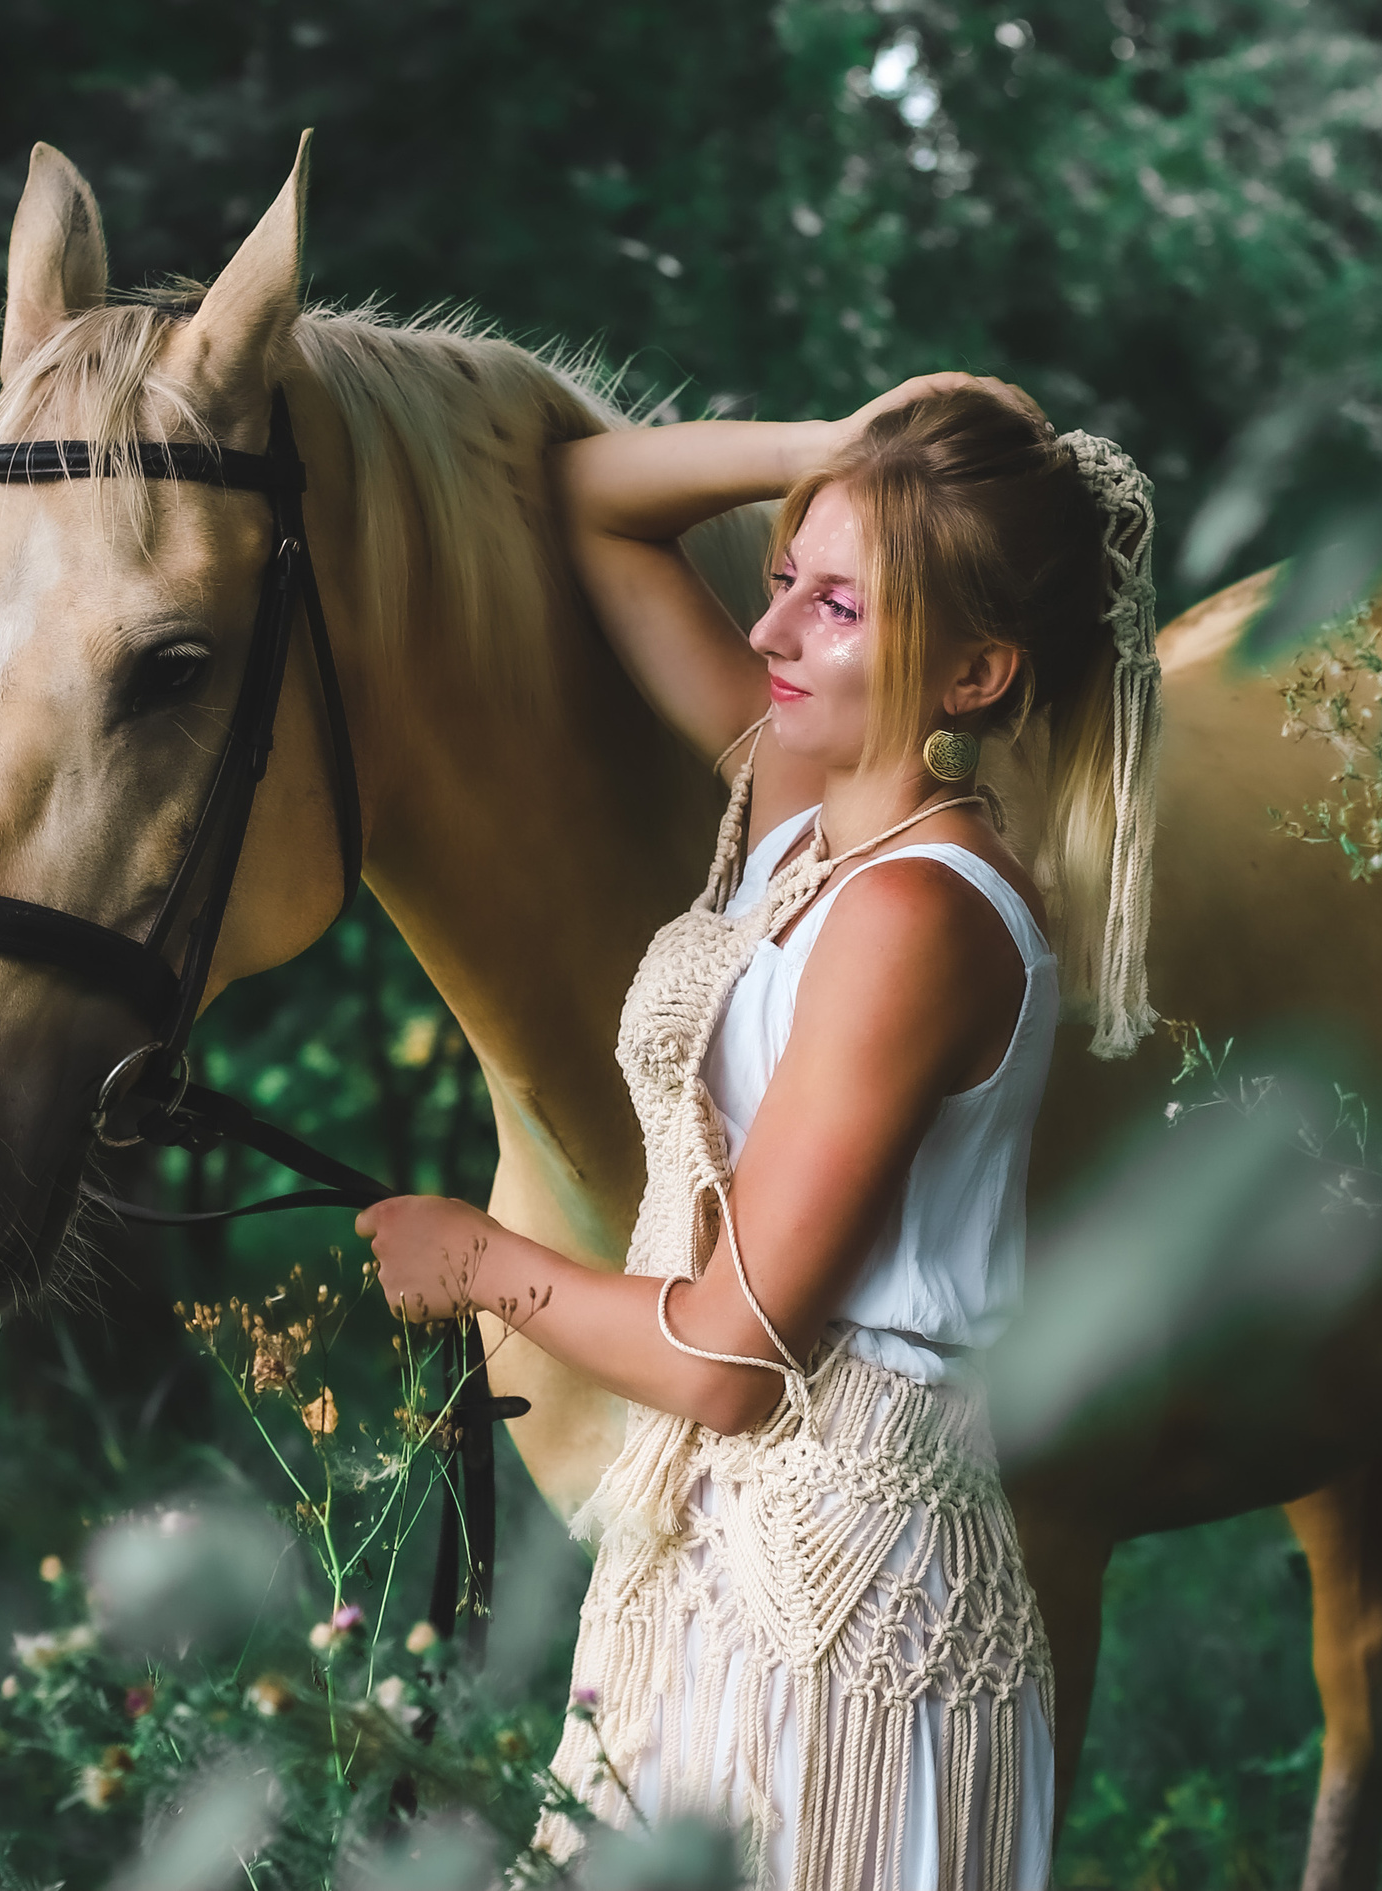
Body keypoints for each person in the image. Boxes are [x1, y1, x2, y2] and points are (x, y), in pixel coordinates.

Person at [357, 373, 1166, 1889]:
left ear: (977, 672)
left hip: (845, 1607)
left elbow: (734, 1361)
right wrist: (847, 454)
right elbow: (595, 500)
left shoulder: (917, 912)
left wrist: (480, 1260)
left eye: (838, 609)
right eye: (785, 580)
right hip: (724, 1569)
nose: (769, 631)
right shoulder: (805, 815)